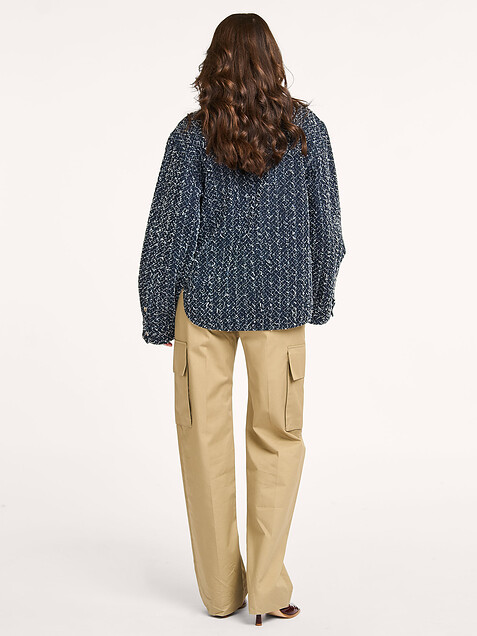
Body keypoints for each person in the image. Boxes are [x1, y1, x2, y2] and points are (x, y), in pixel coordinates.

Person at [138, 12, 346, 627]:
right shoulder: (306, 133)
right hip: (281, 306)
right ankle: (267, 593)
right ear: (274, 61)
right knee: (277, 439)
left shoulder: (191, 135)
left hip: (202, 305)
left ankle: (219, 595)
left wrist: (159, 314)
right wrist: (317, 298)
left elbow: (165, 234)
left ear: (214, 64)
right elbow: (328, 230)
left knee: (203, 443)